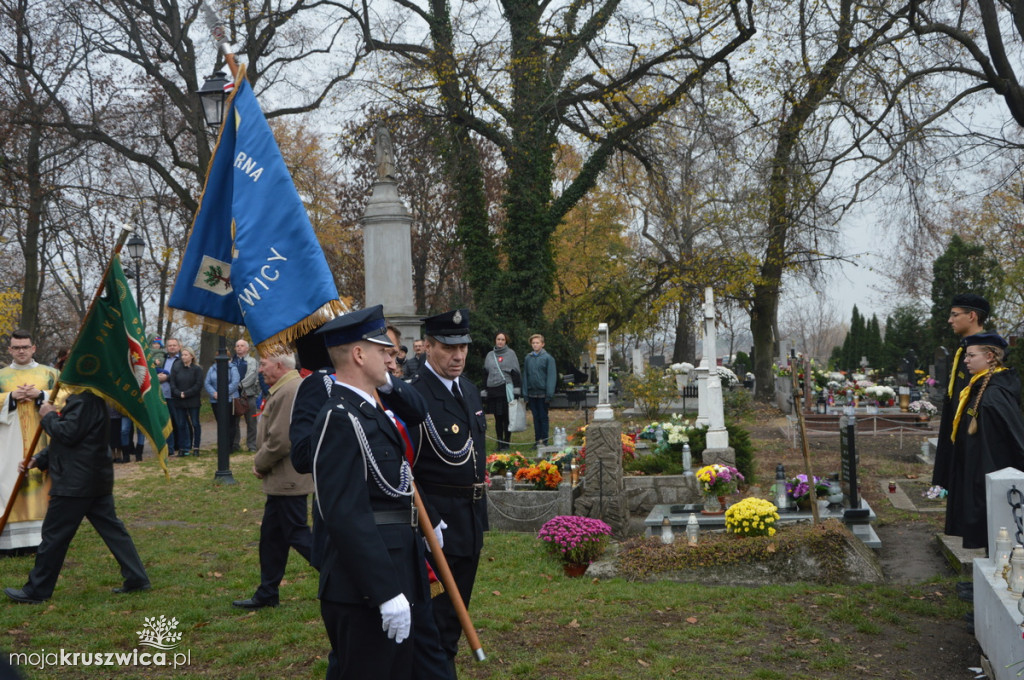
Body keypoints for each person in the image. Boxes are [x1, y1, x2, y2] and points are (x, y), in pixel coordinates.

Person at [310, 305, 430, 679]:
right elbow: (345, 513)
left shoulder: (370, 410)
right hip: (363, 584)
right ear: (359, 355)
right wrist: (383, 590)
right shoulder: (339, 417)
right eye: (384, 351)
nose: (391, 360)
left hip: (397, 564)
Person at [3, 391, 150, 603]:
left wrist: (48, 415)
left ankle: (36, 590)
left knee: (54, 536)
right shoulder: (89, 399)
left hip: (75, 482)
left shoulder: (84, 400)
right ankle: (137, 578)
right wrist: (39, 459)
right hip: (93, 479)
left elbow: (68, 434)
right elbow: (75, 439)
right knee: (113, 530)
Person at [408, 309, 487, 676]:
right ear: (427, 347)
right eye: (447, 348)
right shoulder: (413, 396)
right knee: (436, 623)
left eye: (464, 348)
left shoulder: (469, 391)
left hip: (468, 522)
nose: (457, 356)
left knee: (456, 617)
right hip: (436, 524)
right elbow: (404, 468)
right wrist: (430, 523)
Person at [233, 352, 313, 610]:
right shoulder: (285, 387)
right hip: (281, 480)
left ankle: (348, 581)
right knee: (272, 538)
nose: (260, 370)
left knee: (298, 535)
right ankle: (267, 593)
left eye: (264, 364)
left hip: (288, 479)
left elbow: (280, 440)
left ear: (279, 365)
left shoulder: (290, 390)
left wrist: (260, 463)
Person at [944, 332, 1024, 552]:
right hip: (978, 470)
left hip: (991, 471)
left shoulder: (995, 395)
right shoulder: (980, 388)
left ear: (990, 356)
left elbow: (1013, 438)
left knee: (997, 527)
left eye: (971, 355)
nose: (966, 360)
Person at [0, 329, 59, 551]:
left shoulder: (51, 374)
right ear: (10, 350)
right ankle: (10, 542)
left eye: (25, 347)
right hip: (8, 443)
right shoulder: (1, 376)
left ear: (33, 348)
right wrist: (10, 398)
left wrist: (41, 395)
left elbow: (66, 398)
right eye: (16, 347)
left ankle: (43, 540)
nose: (21, 351)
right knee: (8, 483)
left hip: (43, 438)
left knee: (44, 486)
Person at [483, 332, 519, 451]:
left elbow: (516, 373)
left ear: (506, 341)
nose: (500, 341)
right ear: (495, 340)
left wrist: (517, 390)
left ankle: (506, 443)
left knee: (506, 418)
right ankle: (499, 442)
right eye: (498, 339)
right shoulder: (489, 355)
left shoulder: (511, 354)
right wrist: (484, 390)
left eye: (502, 339)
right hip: (493, 390)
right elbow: (485, 372)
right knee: (497, 418)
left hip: (505, 389)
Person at [522, 333, 556, 447]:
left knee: (543, 417)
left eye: (537, 343)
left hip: (543, 393)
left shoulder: (548, 358)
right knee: (535, 418)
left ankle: (544, 440)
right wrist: (525, 393)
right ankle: (537, 440)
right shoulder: (528, 358)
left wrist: (549, 394)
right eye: (533, 343)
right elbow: (525, 376)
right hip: (532, 393)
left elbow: (551, 376)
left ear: (542, 344)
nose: (535, 345)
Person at [169, 346, 204, 457]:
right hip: (179, 400)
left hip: (192, 400)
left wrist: (186, 393)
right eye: (182, 355)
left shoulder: (197, 369)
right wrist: (178, 393)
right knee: (181, 424)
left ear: (191, 356)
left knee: (195, 423)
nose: (183, 357)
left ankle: (196, 447)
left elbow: (198, 385)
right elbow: (172, 383)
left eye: (185, 355)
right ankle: (183, 448)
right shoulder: (176, 367)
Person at [232, 339, 260, 452]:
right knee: (234, 422)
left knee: (251, 422)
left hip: (248, 395)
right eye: (237, 345)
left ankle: (252, 445)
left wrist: (238, 385)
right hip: (234, 396)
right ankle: (235, 444)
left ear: (247, 348)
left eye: (242, 345)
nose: (239, 347)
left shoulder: (252, 361)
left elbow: (252, 377)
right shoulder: (232, 362)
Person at [156, 338, 182, 455]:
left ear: (179, 347)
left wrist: (167, 377)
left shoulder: (182, 359)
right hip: (163, 395)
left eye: (174, 345)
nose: (172, 347)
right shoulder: (163, 359)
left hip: (175, 395)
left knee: (179, 422)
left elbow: (181, 376)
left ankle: (182, 447)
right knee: (166, 422)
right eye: (170, 345)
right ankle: (169, 448)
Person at [204, 360, 240, 437]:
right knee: (220, 423)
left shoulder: (232, 368)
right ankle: (222, 444)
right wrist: (214, 393)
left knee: (230, 423)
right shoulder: (212, 369)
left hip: (230, 400)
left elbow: (235, 383)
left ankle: (229, 446)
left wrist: (222, 393)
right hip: (215, 400)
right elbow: (207, 383)